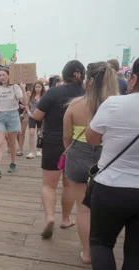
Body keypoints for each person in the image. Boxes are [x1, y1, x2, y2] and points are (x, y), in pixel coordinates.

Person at [85, 58, 139, 270]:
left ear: (133, 79)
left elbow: (92, 139)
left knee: (101, 243)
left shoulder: (114, 103)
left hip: (110, 186)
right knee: (135, 252)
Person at [63, 61, 119, 264]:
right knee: (105, 208)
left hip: (78, 155)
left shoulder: (75, 105)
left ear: (87, 81)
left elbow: (66, 138)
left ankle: (87, 253)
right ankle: (105, 249)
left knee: (84, 208)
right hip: (109, 158)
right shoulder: (117, 105)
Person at [31, 60, 85, 239]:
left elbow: (38, 115)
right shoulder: (88, 94)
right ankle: (66, 219)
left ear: (64, 75)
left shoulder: (54, 92)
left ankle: (49, 218)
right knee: (68, 184)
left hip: (53, 142)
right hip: (77, 144)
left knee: (49, 185)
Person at [0, 69, 26, 178]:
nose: (1, 77)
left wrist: (23, 89)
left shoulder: (15, 87)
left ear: (9, 76)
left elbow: (24, 102)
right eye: (0, 75)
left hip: (13, 116)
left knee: (12, 142)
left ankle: (13, 163)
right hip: (0, 117)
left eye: (4, 75)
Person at [25, 81, 45, 158]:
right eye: (36, 87)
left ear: (42, 88)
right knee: (31, 132)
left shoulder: (44, 96)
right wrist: (29, 112)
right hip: (32, 116)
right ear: (34, 88)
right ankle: (31, 151)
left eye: (39, 87)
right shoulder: (31, 95)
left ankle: (39, 150)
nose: (37, 89)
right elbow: (26, 104)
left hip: (41, 116)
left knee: (40, 133)